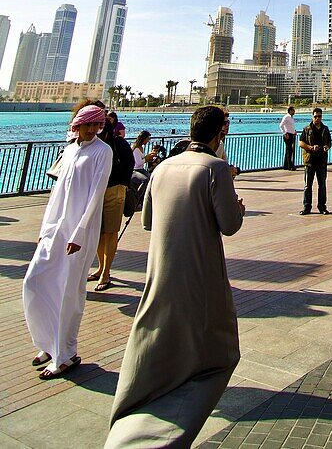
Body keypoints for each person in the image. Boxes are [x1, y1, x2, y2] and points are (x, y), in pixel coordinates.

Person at [104, 105, 245, 449]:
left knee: (152, 345)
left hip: (159, 273)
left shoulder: (164, 167)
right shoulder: (216, 169)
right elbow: (230, 225)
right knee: (216, 355)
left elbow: (147, 221)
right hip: (201, 273)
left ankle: (130, 413)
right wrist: (237, 207)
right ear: (220, 133)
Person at [23, 103, 112, 379]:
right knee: (35, 282)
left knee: (69, 292)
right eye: (89, 125)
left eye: (97, 125)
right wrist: (46, 228)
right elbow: (57, 192)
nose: (93, 130)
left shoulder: (103, 152)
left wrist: (79, 232)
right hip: (55, 229)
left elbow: (95, 195)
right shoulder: (71, 149)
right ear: (77, 125)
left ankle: (66, 354)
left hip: (79, 233)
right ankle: (47, 343)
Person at [88, 112, 135, 292]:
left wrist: (123, 185)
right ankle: (100, 267)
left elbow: (129, 164)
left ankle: (106, 272)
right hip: (96, 191)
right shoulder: (93, 146)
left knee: (111, 231)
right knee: (98, 232)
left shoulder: (118, 144)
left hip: (115, 191)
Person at [299, 108, 332, 214]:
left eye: (319, 116)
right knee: (308, 185)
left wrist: (327, 146)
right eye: (315, 116)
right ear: (312, 117)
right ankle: (306, 207)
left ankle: (322, 206)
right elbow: (301, 143)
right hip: (310, 160)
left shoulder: (325, 129)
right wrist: (310, 147)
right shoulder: (307, 129)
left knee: (322, 184)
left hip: (321, 160)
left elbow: (329, 142)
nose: (317, 118)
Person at [216, 110, 242, 177]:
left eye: (228, 122)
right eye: (224, 123)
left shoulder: (220, 144)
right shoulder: (216, 145)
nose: (227, 125)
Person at [279, 106, 297, 171]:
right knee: (290, 150)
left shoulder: (291, 118)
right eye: (293, 110)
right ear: (290, 111)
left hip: (291, 134)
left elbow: (290, 126)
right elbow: (281, 125)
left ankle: (286, 165)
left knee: (288, 150)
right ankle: (290, 166)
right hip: (288, 135)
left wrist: (294, 131)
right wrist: (285, 133)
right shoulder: (286, 117)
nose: (294, 112)